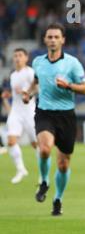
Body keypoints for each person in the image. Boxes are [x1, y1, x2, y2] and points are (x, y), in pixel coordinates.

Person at [23, 23, 85, 215]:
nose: (52, 40)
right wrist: (28, 93)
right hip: (45, 113)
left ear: (62, 40)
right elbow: (36, 82)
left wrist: (69, 86)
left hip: (66, 116)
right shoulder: (37, 62)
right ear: (44, 40)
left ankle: (57, 198)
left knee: (63, 164)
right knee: (44, 149)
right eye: (49, 37)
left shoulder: (72, 63)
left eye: (56, 37)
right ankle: (44, 181)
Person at [3, 48, 38, 184]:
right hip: (16, 112)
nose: (17, 58)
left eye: (20, 55)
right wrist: (9, 95)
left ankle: (43, 174)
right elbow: (16, 93)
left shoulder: (30, 73)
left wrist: (25, 92)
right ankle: (21, 169)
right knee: (11, 141)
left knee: (36, 144)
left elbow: (36, 89)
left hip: (29, 111)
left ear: (26, 57)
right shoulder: (13, 75)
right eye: (15, 56)